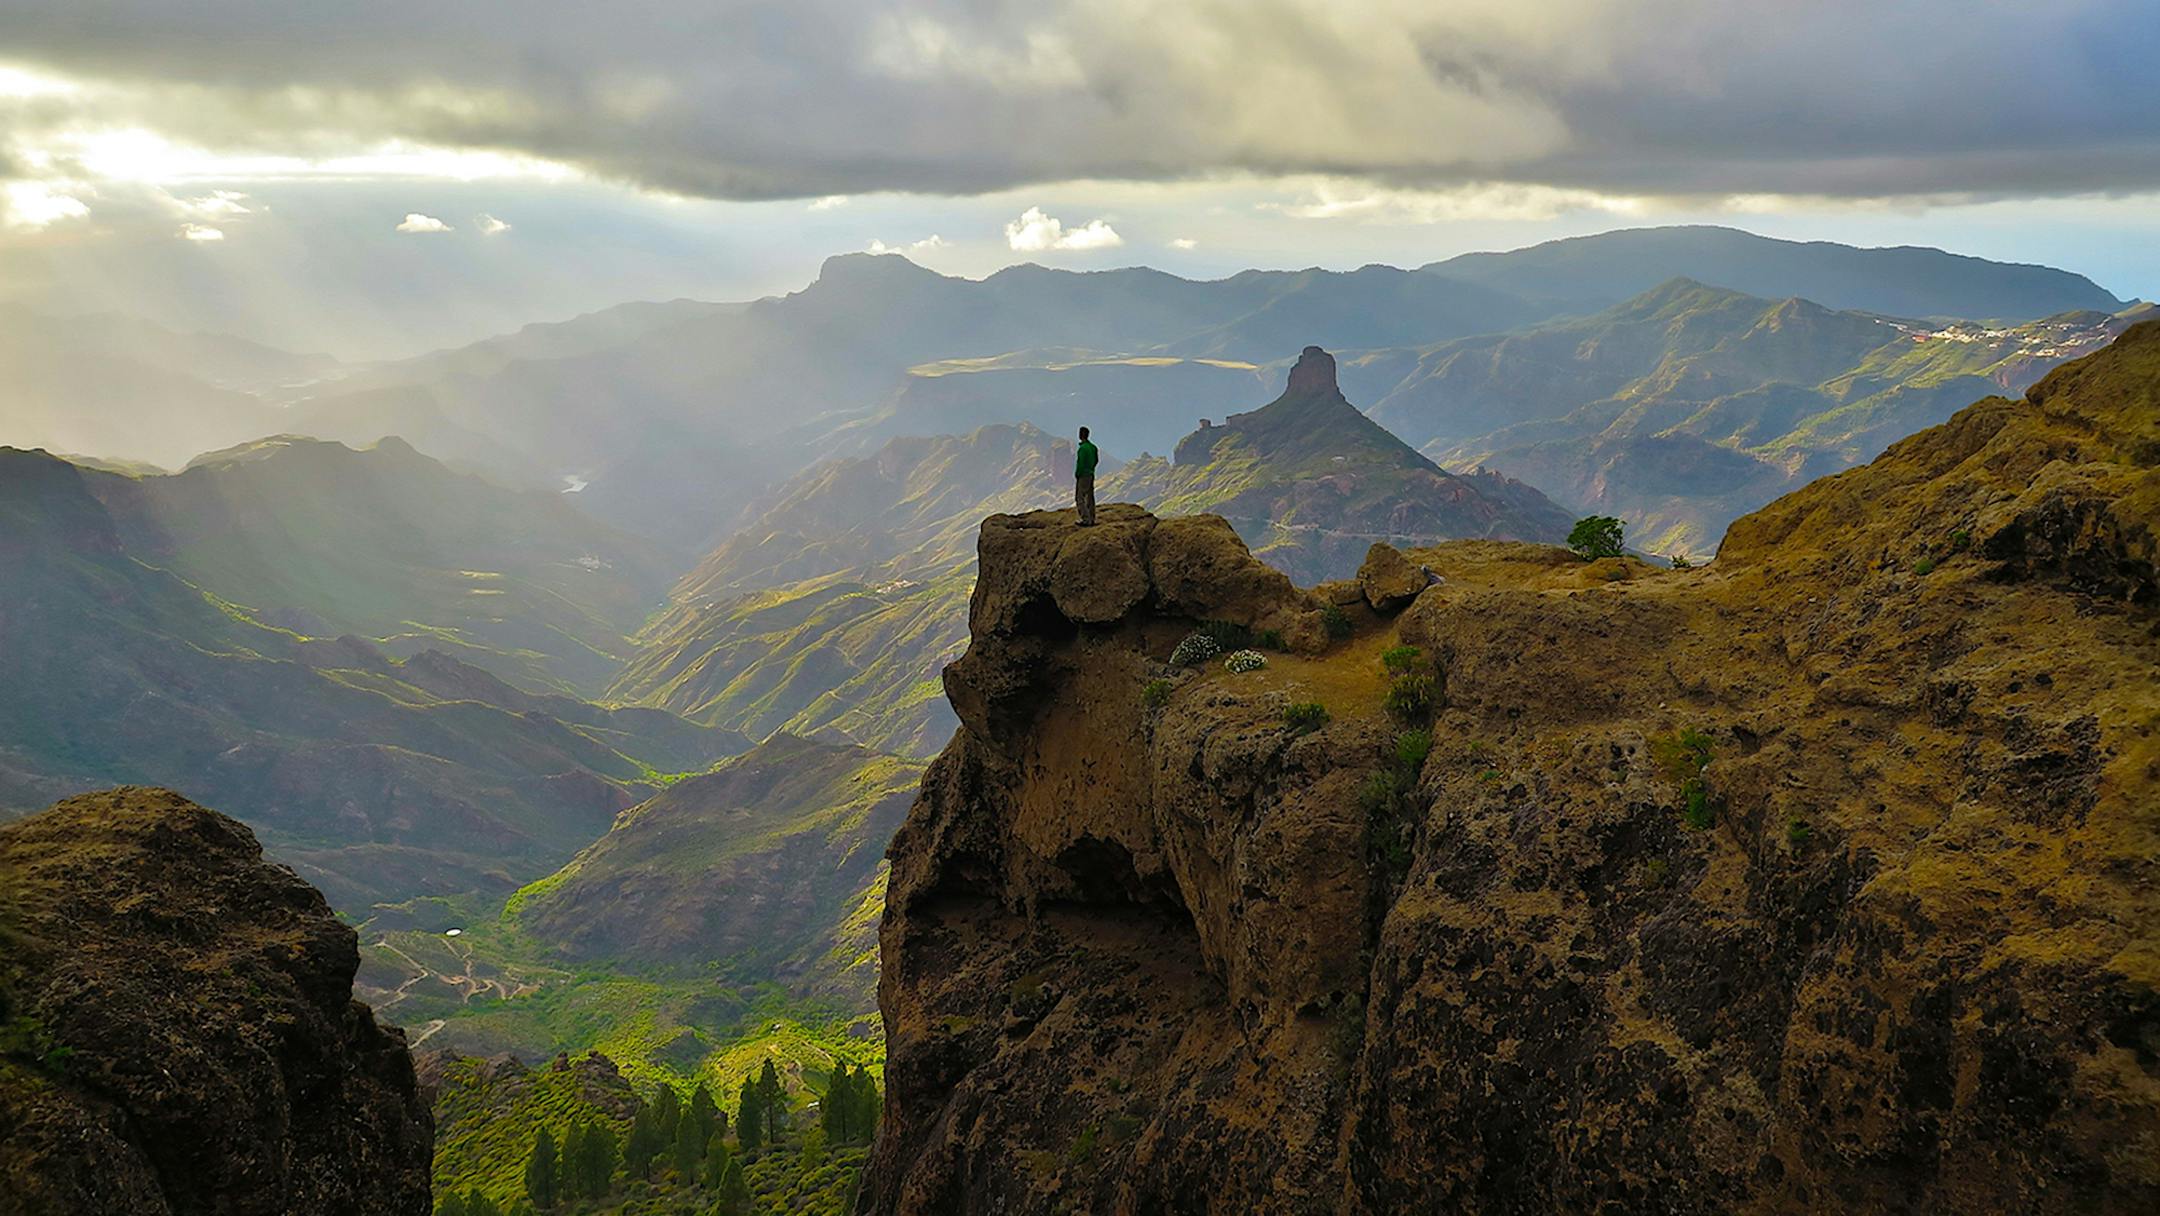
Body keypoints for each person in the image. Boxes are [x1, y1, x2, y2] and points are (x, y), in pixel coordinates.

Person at [1073, 425, 1099, 526]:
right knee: (1090, 497)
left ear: (1080, 435)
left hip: (1083, 475)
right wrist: (1091, 469)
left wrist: (1078, 474)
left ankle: (1085, 519)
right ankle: (1092, 519)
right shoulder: (1093, 447)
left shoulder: (1082, 449)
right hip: (1091, 474)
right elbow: (1096, 460)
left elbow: (1080, 463)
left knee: (1080, 498)